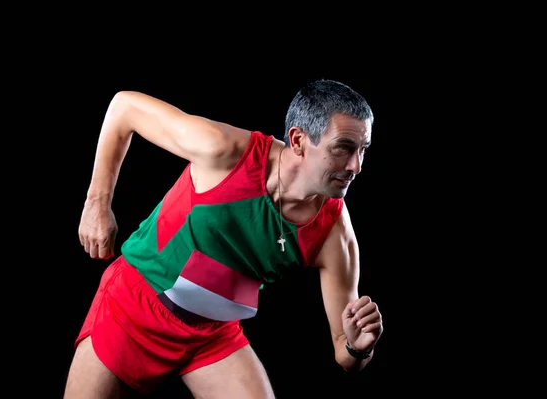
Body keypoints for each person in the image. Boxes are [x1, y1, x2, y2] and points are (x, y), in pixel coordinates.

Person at [64, 79, 383, 398]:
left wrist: (357, 348)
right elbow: (125, 107)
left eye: (363, 150)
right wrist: (97, 203)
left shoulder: (334, 233)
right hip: (134, 307)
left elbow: (345, 350)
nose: (356, 166)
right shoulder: (225, 150)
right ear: (298, 140)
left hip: (212, 335)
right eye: (343, 148)